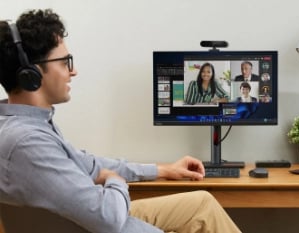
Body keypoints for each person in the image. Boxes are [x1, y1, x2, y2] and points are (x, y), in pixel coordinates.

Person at [0, 9, 241, 233]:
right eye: (65, 63)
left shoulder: (29, 124)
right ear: (31, 74)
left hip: (98, 219)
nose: (73, 71)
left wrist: (162, 170)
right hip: (109, 223)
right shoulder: (28, 143)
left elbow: (89, 165)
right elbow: (108, 217)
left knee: (201, 203)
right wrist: (116, 181)